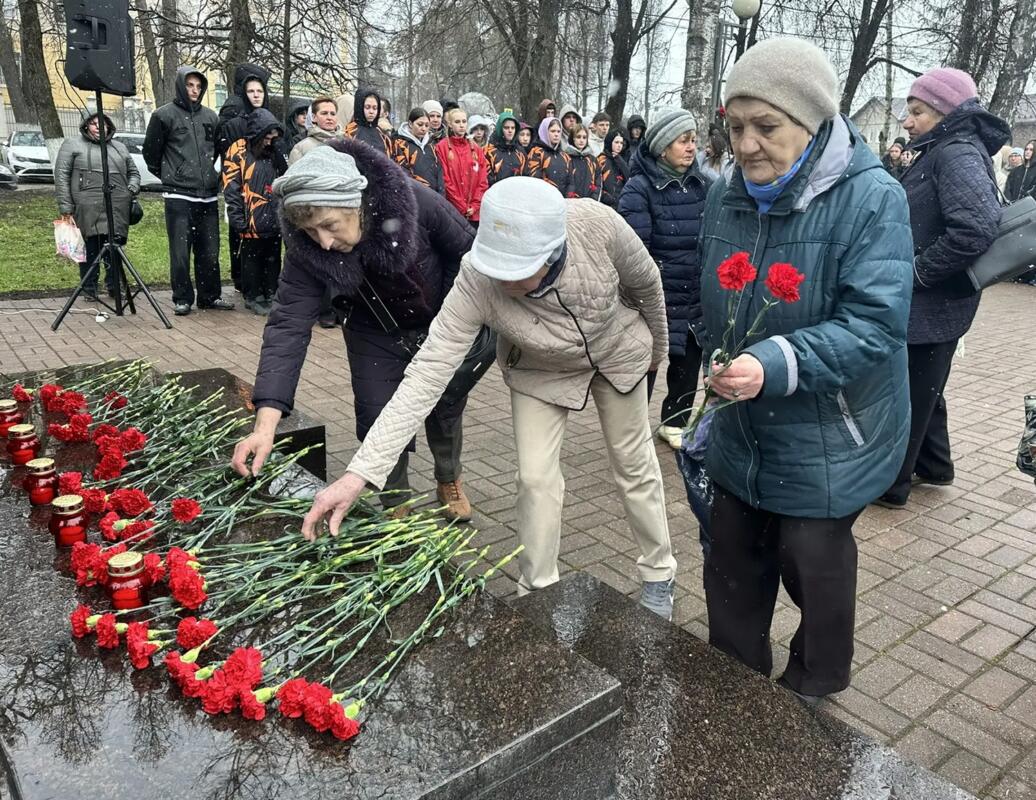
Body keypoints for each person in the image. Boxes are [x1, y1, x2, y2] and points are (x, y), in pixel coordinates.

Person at [290, 177, 679, 619]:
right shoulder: (478, 276)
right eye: (497, 267)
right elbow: (427, 373)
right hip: (539, 366)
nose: (503, 280)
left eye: (516, 271)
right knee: (534, 479)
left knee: (634, 466)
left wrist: (657, 355)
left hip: (616, 350)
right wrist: (360, 473)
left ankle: (659, 573)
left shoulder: (597, 224)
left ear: (552, 252)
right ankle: (538, 591)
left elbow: (648, 286)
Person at [689, 39, 913, 702]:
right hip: (742, 425)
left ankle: (810, 697)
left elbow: (876, 325)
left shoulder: (873, 200)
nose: (748, 146)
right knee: (730, 564)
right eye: (735, 127)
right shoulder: (726, 195)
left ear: (813, 123)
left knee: (813, 566)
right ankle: (732, 693)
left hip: (829, 432)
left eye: (767, 127)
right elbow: (709, 292)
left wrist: (774, 362)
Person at [231, 138, 485, 521]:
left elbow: (469, 252)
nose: (325, 243)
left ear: (357, 202)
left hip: (437, 323)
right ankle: (395, 502)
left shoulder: (415, 200)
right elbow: (287, 324)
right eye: (312, 232)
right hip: (373, 330)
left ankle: (449, 477)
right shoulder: (309, 245)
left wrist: (453, 319)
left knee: (444, 407)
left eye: (330, 226)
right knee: (377, 414)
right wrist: (265, 426)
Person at [877, 68, 1009, 508]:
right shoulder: (946, 149)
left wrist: (915, 273)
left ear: (945, 111)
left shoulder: (957, 153)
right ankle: (934, 465)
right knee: (924, 385)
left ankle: (890, 485)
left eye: (916, 112)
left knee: (909, 394)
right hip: (936, 301)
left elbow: (974, 230)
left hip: (933, 301)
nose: (907, 121)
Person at [619, 108, 708, 449]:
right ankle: (631, 426)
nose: (691, 148)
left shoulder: (704, 186)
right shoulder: (638, 189)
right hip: (655, 295)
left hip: (693, 293)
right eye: (684, 141)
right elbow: (633, 249)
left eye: (693, 141)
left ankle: (676, 421)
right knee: (646, 362)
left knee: (687, 360)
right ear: (662, 148)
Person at [143, 66, 234, 316]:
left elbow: (218, 151)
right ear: (180, 86)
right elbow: (151, 153)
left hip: (208, 195)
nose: (194, 90)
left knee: (209, 250)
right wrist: (173, 176)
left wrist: (211, 176)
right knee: (181, 252)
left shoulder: (211, 117)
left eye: (197, 86)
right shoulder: (163, 115)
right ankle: (182, 298)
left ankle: (210, 296)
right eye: (189, 85)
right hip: (179, 196)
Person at [55, 113, 140, 300]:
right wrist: (66, 206)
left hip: (116, 207)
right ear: (86, 126)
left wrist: (131, 188)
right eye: (93, 124)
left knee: (113, 248)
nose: (99, 127)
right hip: (86, 208)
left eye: (103, 124)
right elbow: (61, 177)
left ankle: (114, 286)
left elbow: (133, 172)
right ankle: (89, 288)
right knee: (90, 249)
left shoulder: (119, 148)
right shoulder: (72, 145)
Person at [223, 109, 288, 316]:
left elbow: (284, 178)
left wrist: (278, 151)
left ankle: (271, 292)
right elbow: (231, 184)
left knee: (273, 257)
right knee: (252, 258)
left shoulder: (273, 152)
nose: (269, 142)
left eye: (273, 138)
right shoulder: (239, 150)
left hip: (273, 215)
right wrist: (237, 217)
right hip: (250, 215)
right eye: (266, 138)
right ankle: (253, 295)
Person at [215, 64, 272, 296]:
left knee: (256, 238)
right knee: (241, 232)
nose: (257, 95)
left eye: (260, 90)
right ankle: (244, 281)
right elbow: (230, 153)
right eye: (252, 90)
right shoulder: (235, 114)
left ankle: (252, 282)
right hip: (242, 182)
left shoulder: (263, 115)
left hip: (261, 185)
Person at [435, 107, 489, 224]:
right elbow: (445, 180)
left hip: (474, 213)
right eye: (457, 122)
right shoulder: (442, 147)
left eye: (464, 122)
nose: (461, 125)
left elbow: (482, 181)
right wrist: (461, 205)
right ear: (450, 124)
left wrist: (475, 205)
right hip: (452, 210)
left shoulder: (476, 149)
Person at [393, 107, 445, 194]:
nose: (423, 129)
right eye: (420, 125)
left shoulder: (431, 146)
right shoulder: (400, 145)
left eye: (427, 125)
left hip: (435, 197)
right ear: (410, 124)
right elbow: (403, 173)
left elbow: (439, 172)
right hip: (415, 195)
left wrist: (441, 193)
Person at [523, 117, 572, 194]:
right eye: (552, 131)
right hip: (543, 198)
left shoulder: (565, 156)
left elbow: (570, 181)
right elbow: (534, 179)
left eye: (558, 131)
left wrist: (568, 197)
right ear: (544, 132)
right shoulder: (537, 152)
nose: (556, 134)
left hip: (562, 200)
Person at [289, 96, 342, 165]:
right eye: (324, 113)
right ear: (314, 117)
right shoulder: (301, 148)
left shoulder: (348, 144)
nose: (329, 118)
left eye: (333, 114)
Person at [344, 89, 391, 155]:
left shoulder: (381, 133)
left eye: (375, 108)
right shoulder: (351, 131)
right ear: (360, 107)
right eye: (367, 107)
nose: (371, 112)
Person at [485, 111, 526, 184]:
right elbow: (487, 178)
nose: (510, 131)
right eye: (506, 128)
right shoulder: (489, 151)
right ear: (500, 129)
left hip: (518, 192)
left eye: (513, 128)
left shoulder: (520, 152)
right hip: (496, 192)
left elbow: (526, 176)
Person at [564, 123, 599, 199]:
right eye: (578, 137)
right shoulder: (566, 157)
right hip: (570, 202)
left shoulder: (592, 160)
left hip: (589, 203)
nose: (581, 140)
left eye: (584, 137)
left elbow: (598, 181)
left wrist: (594, 198)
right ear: (573, 138)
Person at [598, 127, 629, 208]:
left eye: (621, 143)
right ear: (610, 142)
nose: (619, 145)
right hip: (604, 204)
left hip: (620, 204)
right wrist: (604, 196)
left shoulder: (622, 159)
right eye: (616, 142)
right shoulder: (601, 159)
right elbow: (595, 183)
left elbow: (628, 178)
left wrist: (620, 161)